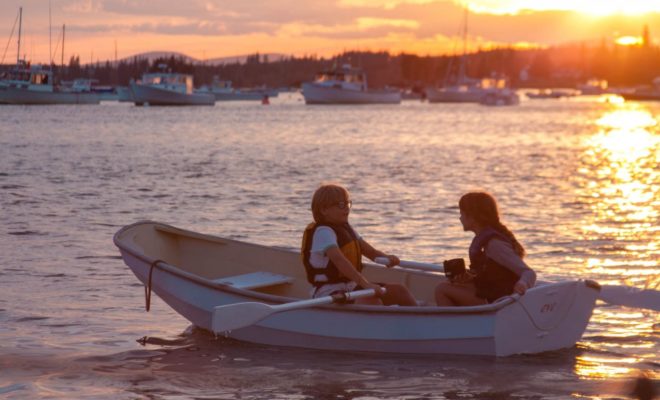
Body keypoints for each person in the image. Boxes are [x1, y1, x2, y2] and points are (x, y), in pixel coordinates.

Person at [301, 183, 417, 306]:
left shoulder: (346, 229)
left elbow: (371, 252)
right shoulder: (323, 232)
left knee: (400, 291)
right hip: (328, 291)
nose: (347, 208)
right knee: (371, 300)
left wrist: (387, 258)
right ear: (324, 210)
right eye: (341, 205)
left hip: (351, 286)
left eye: (348, 203)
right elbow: (340, 261)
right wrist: (366, 284)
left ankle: (418, 320)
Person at [435, 192, 536, 306]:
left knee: (441, 289)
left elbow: (529, 272)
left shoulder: (494, 244)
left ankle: (454, 323)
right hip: (489, 294)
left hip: (498, 302)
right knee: (450, 284)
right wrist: (469, 278)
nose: (460, 218)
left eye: (461, 213)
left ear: (472, 217)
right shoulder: (485, 239)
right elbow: (491, 273)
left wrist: (522, 284)